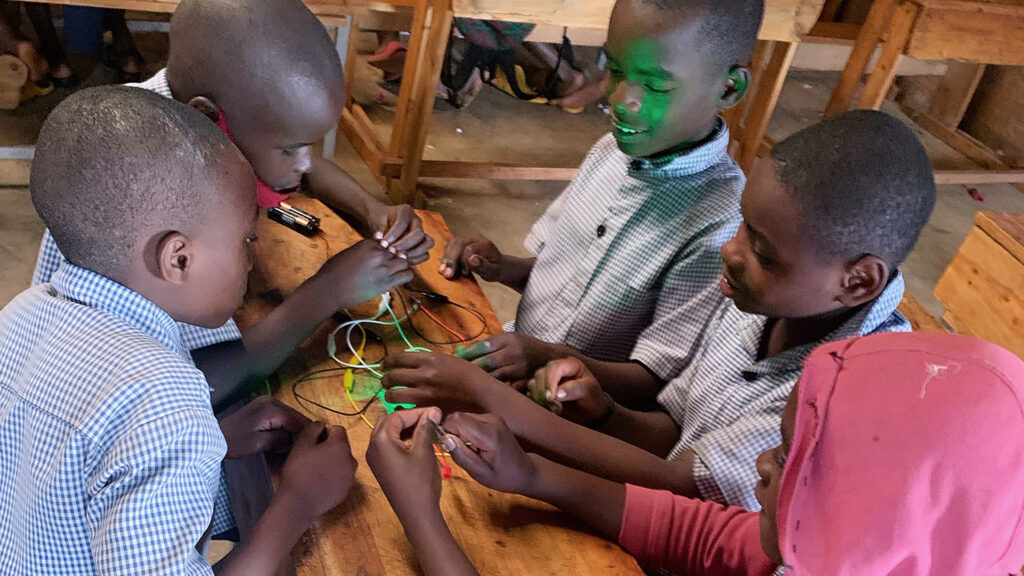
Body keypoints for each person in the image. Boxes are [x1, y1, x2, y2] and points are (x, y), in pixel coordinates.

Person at [381, 110, 937, 511]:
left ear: (858, 281)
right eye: (743, 224)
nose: (731, 248)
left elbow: (681, 488)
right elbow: (678, 429)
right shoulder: (760, 297)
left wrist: (489, 397)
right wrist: (603, 414)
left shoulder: (841, 395)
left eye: (762, 252)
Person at [0, 86, 357, 575]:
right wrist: (298, 501)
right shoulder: (165, 398)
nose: (252, 256)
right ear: (178, 259)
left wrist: (214, 439)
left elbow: (55, 467)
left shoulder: (21, 315)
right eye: (246, 239)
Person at [29, 0, 433, 410]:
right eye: (292, 149)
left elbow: (296, 159)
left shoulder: (182, 113)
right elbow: (199, 382)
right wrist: (327, 291)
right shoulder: (144, 180)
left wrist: (371, 207)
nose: (306, 164)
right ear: (206, 116)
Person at [368, 332, 1024, 576]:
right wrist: (532, 474)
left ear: (885, 523)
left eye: (791, 456)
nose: (765, 461)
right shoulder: (840, 555)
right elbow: (706, 535)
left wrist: (422, 515)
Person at [438, 0, 765, 407]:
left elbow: (653, 381)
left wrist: (547, 357)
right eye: (614, 70)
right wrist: (502, 267)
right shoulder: (609, 152)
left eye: (656, 85)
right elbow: (559, 277)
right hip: (517, 378)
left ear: (729, 88)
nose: (621, 99)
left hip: (579, 422)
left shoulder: (720, 224)